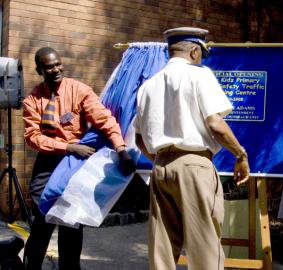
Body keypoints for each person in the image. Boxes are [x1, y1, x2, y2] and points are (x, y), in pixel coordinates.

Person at [135, 27, 250, 270]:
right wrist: (240, 154)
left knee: (162, 249)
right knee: (204, 246)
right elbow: (215, 123)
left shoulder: (148, 85)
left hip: (161, 166)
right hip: (194, 164)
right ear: (195, 51)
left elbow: (139, 140)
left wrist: (162, 159)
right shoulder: (200, 75)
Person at [22, 47, 135, 270]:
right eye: (49, 67)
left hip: (74, 163)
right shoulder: (32, 100)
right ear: (39, 70)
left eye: (57, 64)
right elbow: (33, 138)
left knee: (71, 220)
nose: (55, 70)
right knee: (42, 221)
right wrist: (68, 146)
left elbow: (105, 120)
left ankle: (70, 267)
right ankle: (30, 266)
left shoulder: (79, 90)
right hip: (48, 161)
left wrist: (121, 150)